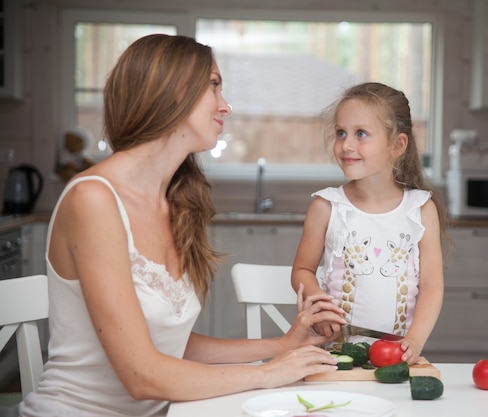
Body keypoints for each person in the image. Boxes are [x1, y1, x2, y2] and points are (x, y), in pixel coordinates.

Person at [19, 34, 346, 417]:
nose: (225, 106)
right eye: (214, 85)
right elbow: (143, 376)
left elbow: (168, 345)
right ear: (174, 90)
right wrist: (268, 373)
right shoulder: (93, 200)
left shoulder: (174, 203)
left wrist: (280, 346)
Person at [291, 82, 448, 366]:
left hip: (396, 358)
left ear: (397, 145)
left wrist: (414, 341)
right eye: (341, 133)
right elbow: (302, 270)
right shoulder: (326, 207)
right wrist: (318, 301)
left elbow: (432, 286)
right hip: (333, 358)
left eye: (360, 134)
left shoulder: (421, 210)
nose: (346, 145)